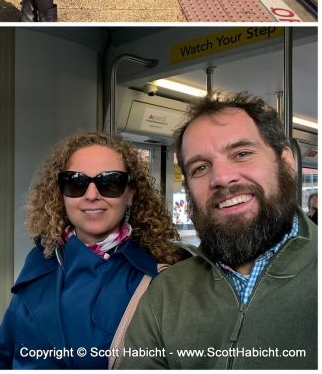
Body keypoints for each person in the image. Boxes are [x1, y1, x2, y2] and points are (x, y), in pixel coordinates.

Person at [121, 92, 317, 370]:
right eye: (200, 168)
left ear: (286, 161)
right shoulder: (166, 295)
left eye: (242, 153)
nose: (222, 178)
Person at [0, 131, 182, 369]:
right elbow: (0, 354)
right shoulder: (40, 259)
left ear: (131, 193)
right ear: (60, 194)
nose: (92, 195)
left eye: (110, 183)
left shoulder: (157, 280)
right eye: (76, 183)